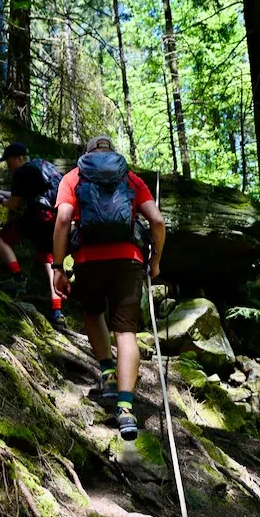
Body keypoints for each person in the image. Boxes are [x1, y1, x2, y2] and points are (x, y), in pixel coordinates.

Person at [52, 135, 166, 441]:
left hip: (88, 260)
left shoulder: (74, 177)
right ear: (112, 154)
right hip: (129, 260)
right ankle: (126, 408)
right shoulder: (130, 178)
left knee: (92, 313)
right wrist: (155, 261)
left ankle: (107, 373)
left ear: (87, 154)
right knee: (126, 332)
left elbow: (62, 220)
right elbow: (157, 221)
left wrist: (58, 267)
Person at [0, 142, 67, 330]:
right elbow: (23, 195)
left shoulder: (21, 173)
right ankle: (57, 312)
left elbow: (14, 203)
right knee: (50, 261)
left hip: (37, 217)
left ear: (18, 158)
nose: (8, 166)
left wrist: (0, 200)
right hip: (56, 218)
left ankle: (18, 279)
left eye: (9, 161)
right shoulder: (43, 166)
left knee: (0, 239)